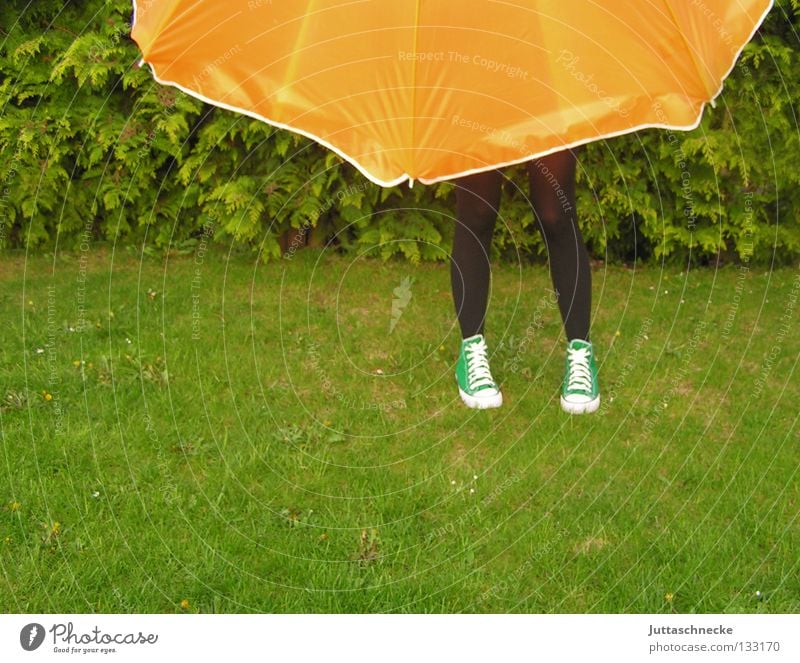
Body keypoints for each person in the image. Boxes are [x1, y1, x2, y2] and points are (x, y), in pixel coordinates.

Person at [450, 148, 599, 414]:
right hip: (477, 107)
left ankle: (581, 351)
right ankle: (471, 350)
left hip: (547, 105)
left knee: (556, 213)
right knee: (477, 212)